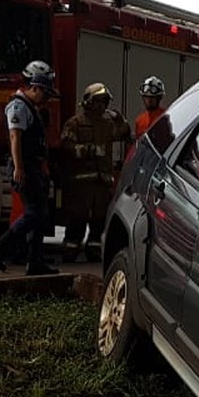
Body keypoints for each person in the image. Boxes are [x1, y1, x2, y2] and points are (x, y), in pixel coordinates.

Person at [0, 60, 59, 276]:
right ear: (34, 87)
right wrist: (19, 168)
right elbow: (15, 136)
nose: (46, 99)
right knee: (34, 214)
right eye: (44, 93)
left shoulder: (32, 108)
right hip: (24, 167)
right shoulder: (18, 106)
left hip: (33, 167)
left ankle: (35, 261)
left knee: (40, 214)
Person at [59, 82, 129, 262]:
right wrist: (89, 150)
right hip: (81, 184)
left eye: (104, 102)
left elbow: (124, 133)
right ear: (88, 102)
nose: (102, 106)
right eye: (98, 101)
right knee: (77, 220)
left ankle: (94, 251)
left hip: (102, 184)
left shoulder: (107, 123)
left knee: (98, 222)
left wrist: (119, 117)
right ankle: (70, 251)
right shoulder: (75, 123)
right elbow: (66, 147)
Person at [133, 75, 167, 140]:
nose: (149, 100)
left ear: (159, 97)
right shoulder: (139, 120)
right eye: (147, 97)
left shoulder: (166, 117)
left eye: (152, 97)